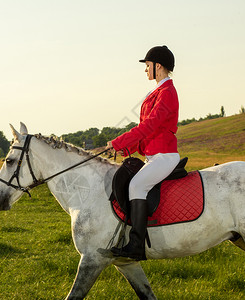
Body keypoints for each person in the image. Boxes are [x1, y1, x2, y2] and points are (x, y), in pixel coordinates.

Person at [107, 45, 180, 260]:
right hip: (154, 156)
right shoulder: (157, 92)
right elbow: (148, 133)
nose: (145, 70)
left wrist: (119, 142)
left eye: (147, 65)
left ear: (158, 66)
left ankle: (136, 246)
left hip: (165, 156)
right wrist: (128, 148)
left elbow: (149, 126)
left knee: (137, 185)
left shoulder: (167, 93)